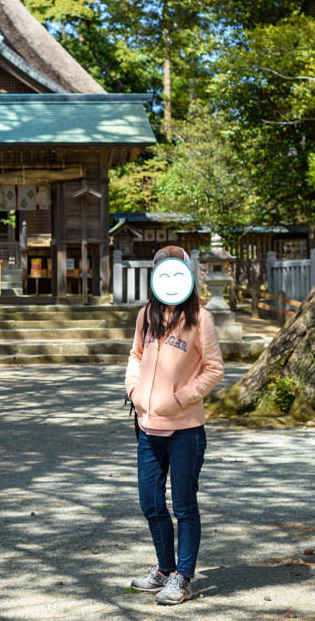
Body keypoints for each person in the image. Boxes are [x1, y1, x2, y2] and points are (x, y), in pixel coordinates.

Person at [124, 245, 225, 605]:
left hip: (185, 432)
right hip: (147, 427)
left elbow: (214, 370)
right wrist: (133, 389)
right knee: (150, 503)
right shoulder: (146, 316)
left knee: (184, 506)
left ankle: (183, 577)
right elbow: (136, 355)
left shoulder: (201, 319)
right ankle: (164, 570)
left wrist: (180, 398)